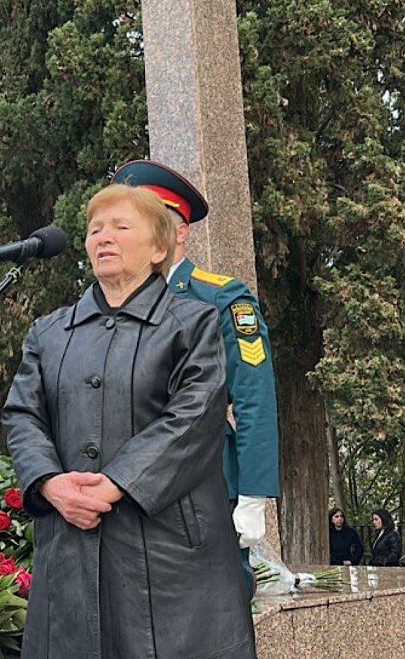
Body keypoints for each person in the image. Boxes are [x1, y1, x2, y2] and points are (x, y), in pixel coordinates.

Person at [2, 183, 267, 659]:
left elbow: (196, 414)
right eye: (95, 229)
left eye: (121, 226)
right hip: (70, 544)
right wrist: (51, 483)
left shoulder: (193, 322)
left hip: (171, 558)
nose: (104, 237)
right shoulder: (49, 333)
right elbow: (22, 414)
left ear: (160, 247)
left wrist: (116, 483)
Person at [112, 160, 281, 589]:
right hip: (125, 488)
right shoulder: (112, 305)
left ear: (180, 232)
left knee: (214, 612)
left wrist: (253, 495)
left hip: (204, 485)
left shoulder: (219, 297)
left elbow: (254, 396)